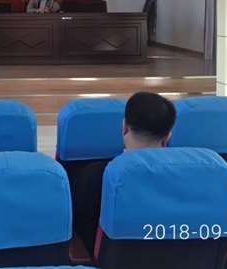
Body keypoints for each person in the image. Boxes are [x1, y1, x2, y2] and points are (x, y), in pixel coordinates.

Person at [72, 91, 176, 254]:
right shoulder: (190, 179)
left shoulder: (94, 176)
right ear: (168, 136)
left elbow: (79, 230)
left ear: (124, 127)